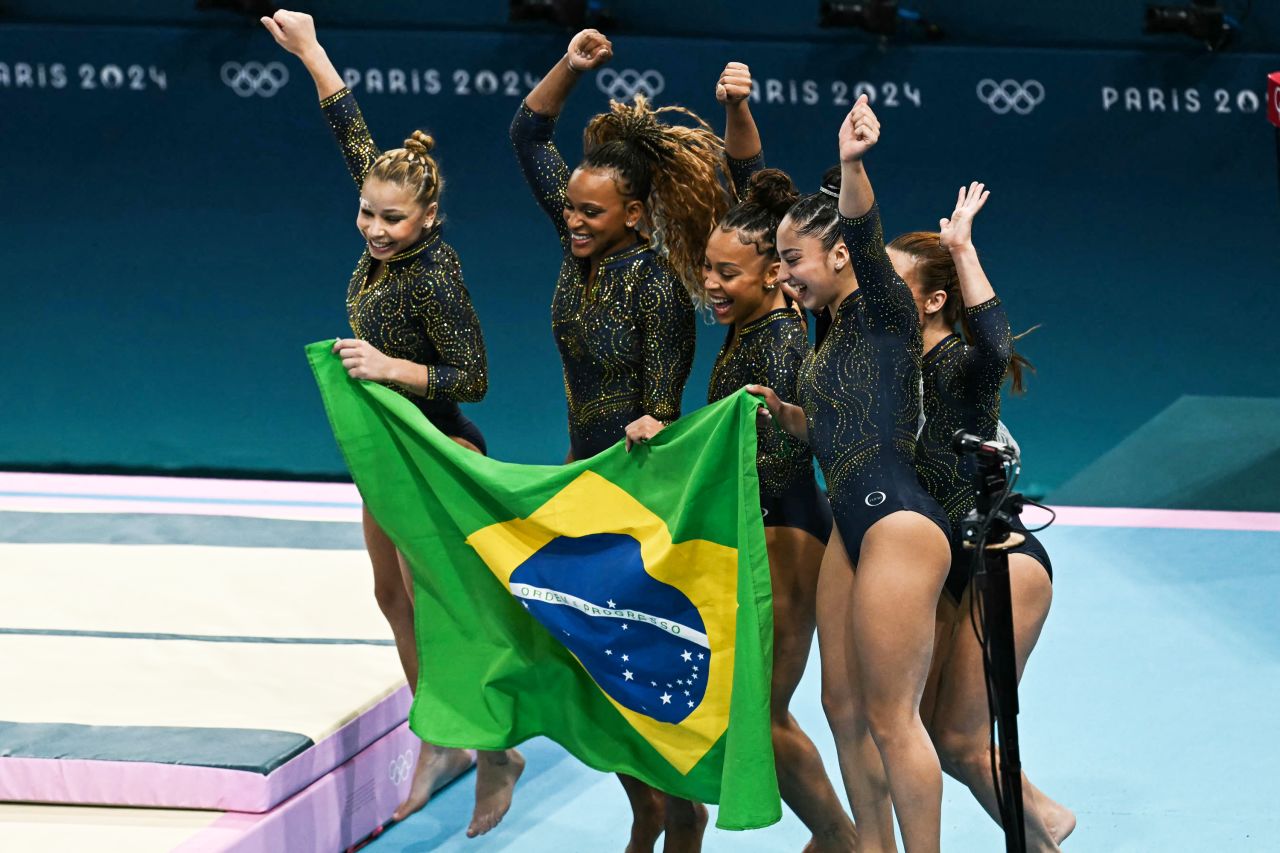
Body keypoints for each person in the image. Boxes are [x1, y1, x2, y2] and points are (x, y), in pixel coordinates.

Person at [261, 10, 522, 837]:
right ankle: (440, 732)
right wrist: (309, 49)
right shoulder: (384, 218)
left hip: (438, 444)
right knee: (391, 595)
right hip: (389, 448)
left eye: (393, 220)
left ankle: (494, 752)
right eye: (368, 213)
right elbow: (351, 129)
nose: (375, 228)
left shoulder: (436, 274)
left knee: (438, 603)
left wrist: (389, 367)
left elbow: (472, 378)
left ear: (429, 219)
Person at [624, 62, 855, 852]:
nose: (710, 283)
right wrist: (739, 107)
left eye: (726, 273)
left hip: (790, 529)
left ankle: (846, 840)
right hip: (748, 531)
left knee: (763, 711)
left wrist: (676, 441)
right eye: (708, 269)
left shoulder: (788, 333)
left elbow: (775, 452)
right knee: (744, 706)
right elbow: (753, 184)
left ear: (775, 274)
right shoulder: (753, 316)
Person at [511, 28, 732, 853]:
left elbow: (665, 409)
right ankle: (646, 806)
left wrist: (656, 421)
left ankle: (677, 812)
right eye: (568, 206)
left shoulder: (660, 290)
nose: (571, 219)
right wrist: (570, 67)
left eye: (590, 211)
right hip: (580, 481)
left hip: (637, 495)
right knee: (585, 662)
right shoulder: (580, 249)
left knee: (635, 661)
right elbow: (529, 134)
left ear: (633, 214)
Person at [750, 96, 952, 852]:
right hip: (851, 520)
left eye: (792, 258)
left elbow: (865, 233)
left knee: (892, 716)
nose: (784, 274)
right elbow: (841, 428)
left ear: (836, 256)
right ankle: (873, 848)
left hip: (898, 519)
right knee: (842, 707)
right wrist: (786, 413)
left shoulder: (884, 310)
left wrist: (852, 164)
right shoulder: (832, 337)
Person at [889, 184, 1075, 849]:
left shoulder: (961, 367)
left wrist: (962, 248)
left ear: (935, 301)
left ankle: (1042, 836)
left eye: (892, 283)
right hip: (946, 563)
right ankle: (1045, 819)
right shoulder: (891, 365)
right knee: (944, 737)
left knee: (964, 740)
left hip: (1002, 560)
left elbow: (994, 344)